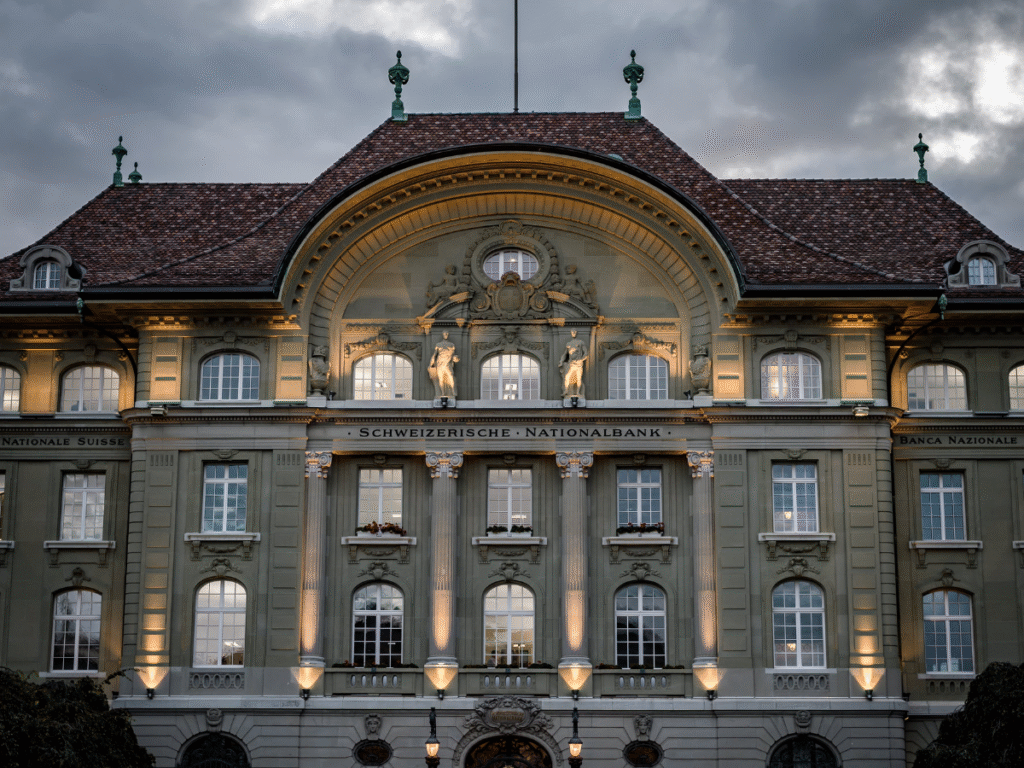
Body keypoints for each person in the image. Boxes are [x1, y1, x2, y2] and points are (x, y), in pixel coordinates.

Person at [428, 331, 459, 398]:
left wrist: (456, 358)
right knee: (441, 379)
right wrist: (431, 364)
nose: (446, 335)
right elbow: (434, 355)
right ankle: (442, 393)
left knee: (451, 376)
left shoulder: (451, 345)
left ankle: (453, 391)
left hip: (448, 364)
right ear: (442, 335)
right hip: (440, 363)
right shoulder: (438, 345)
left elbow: (453, 355)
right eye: (445, 334)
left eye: (447, 334)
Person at [559, 329, 588, 398]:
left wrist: (581, 360)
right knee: (567, 377)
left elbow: (586, 354)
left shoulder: (580, 342)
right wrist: (561, 361)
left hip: (578, 364)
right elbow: (565, 354)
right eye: (572, 332)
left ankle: (578, 392)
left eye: (574, 331)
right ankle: (566, 391)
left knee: (578, 378)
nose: (573, 333)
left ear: (576, 333)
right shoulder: (568, 344)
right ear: (571, 333)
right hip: (571, 363)